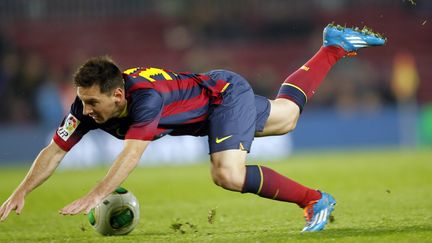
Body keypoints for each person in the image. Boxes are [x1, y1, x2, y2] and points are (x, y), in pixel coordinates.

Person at [0, 24, 385, 232]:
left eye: (93, 103)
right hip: (211, 100)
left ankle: (315, 199)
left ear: (118, 95)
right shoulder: (88, 107)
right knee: (287, 117)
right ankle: (332, 47)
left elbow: (133, 152)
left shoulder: (144, 100)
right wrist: (21, 192)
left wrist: (95, 194)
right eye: (82, 101)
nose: (85, 110)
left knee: (226, 173)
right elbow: (54, 149)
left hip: (223, 97)